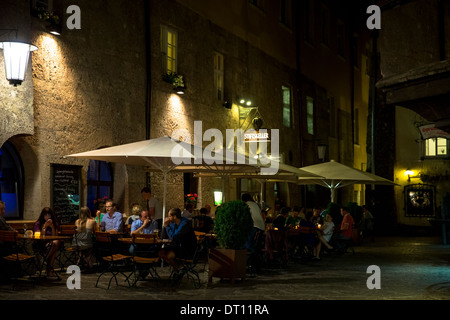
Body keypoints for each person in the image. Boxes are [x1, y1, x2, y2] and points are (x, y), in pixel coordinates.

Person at [159, 208, 197, 274]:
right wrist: (164, 226)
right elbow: (162, 236)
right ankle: (177, 268)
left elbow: (173, 237)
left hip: (187, 249)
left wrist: (167, 226)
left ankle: (177, 269)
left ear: (174, 217)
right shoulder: (174, 223)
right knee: (160, 252)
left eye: (169, 216)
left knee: (169, 255)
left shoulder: (185, 224)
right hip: (177, 247)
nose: (168, 218)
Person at [33, 207, 61, 278]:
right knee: (54, 248)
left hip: (51, 243)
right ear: (43, 215)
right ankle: (49, 271)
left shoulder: (54, 223)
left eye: (49, 215)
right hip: (41, 244)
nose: (47, 216)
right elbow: (40, 237)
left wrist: (52, 227)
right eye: (46, 215)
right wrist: (44, 227)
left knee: (55, 243)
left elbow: (55, 236)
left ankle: (45, 259)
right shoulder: (38, 223)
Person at [73, 206, 97, 273]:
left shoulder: (77, 221)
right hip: (87, 244)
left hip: (76, 243)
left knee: (82, 251)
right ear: (89, 212)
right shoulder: (92, 221)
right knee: (87, 250)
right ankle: (90, 266)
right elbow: (95, 232)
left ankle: (78, 264)